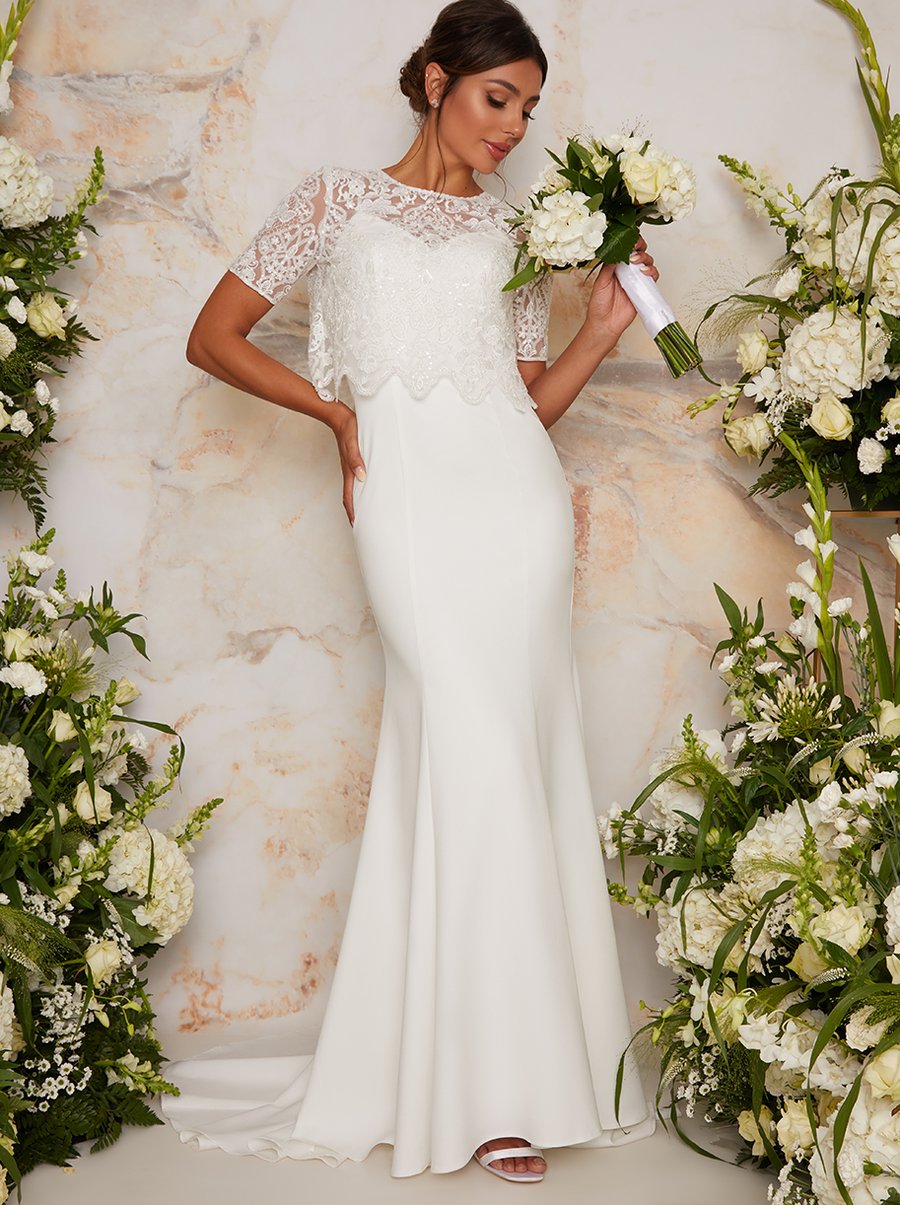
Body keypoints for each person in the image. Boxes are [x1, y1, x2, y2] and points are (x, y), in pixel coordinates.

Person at [159, 0, 659, 1184]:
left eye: (530, 108)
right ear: (436, 80)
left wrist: (598, 328)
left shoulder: (517, 234)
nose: (514, 126)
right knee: (466, 742)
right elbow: (211, 334)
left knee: (506, 757)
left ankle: (512, 1085)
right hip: (410, 505)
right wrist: (335, 411)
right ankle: (479, 1080)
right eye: (499, 98)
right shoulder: (334, 199)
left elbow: (526, 403)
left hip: (517, 504)